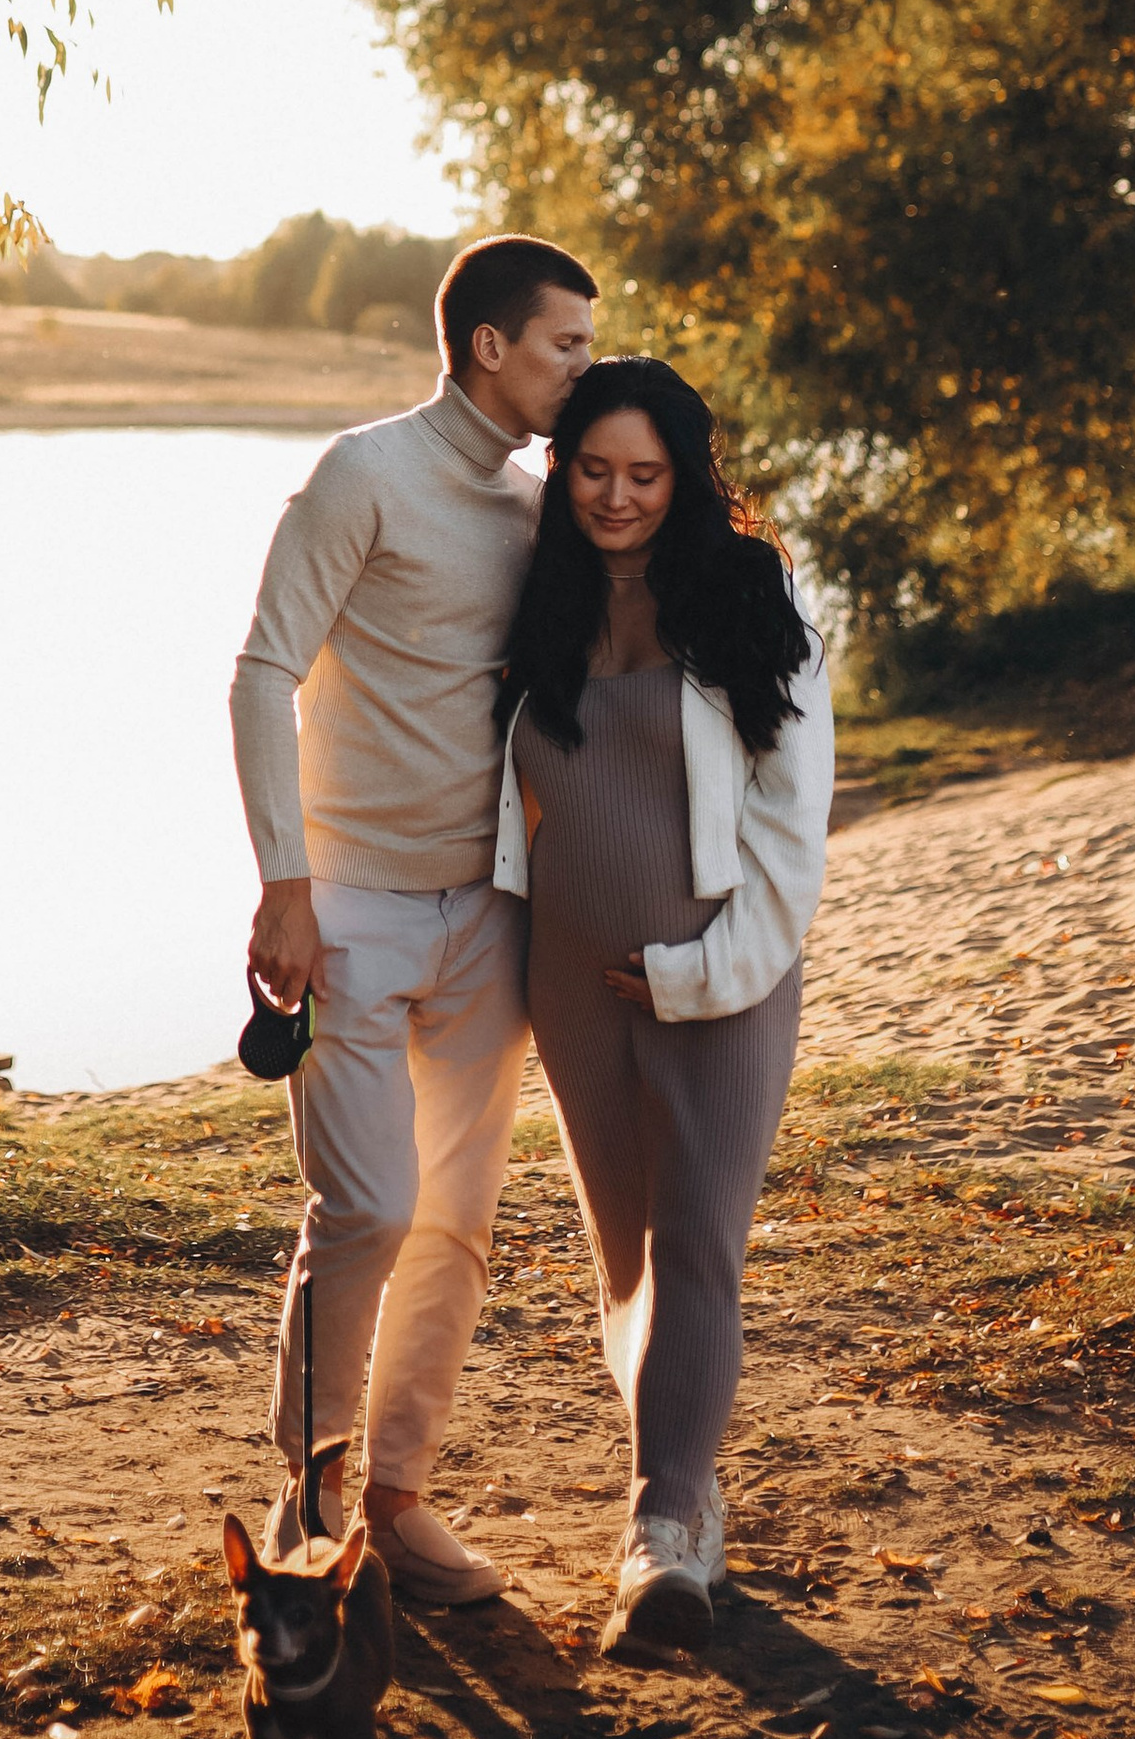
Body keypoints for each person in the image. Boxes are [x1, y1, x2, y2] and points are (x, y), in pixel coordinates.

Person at [230, 233, 598, 1606]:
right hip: (354, 910)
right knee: (369, 1206)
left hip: (491, 917)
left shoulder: (537, 505)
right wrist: (285, 884)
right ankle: (312, 1487)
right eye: (564, 342)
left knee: (454, 1221)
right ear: (491, 346)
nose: (581, 366)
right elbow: (263, 672)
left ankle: (398, 1493)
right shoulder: (361, 474)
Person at [491, 356, 832, 1653]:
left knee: (699, 1248)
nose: (617, 496)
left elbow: (792, 822)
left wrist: (703, 972)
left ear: (684, 475)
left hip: (715, 984)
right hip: (572, 984)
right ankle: (686, 1488)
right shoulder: (542, 591)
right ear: (563, 466)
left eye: (645, 474)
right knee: (628, 1258)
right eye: (593, 469)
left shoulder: (746, 589)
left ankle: (661, 1529)